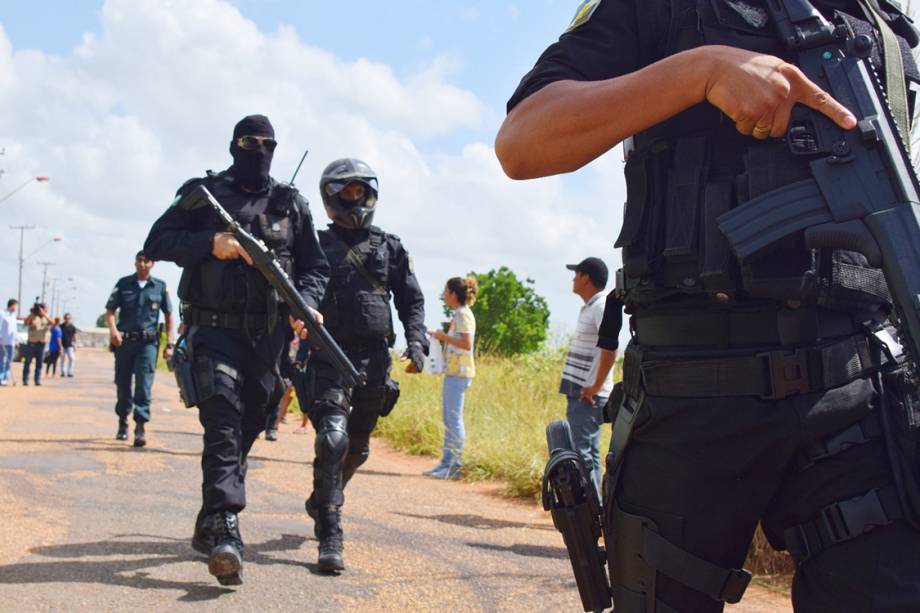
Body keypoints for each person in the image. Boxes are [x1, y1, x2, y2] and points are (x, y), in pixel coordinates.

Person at [496, 2, 920, 611]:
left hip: (862, 392)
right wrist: (701, 72)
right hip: (693, 387)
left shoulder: (884, 20)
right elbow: (524, 142)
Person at [144, 114, 329, 586]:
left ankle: (210, 516)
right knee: (223, 423)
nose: (259, 149)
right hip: (213, 331)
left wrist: (305, 305)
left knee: (249, 424)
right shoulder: (202, 194)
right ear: (234, 145)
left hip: (267, 339)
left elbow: (314, 266)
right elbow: (158, 240)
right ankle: (227, 527)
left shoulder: (291, 204)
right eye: (251, 141)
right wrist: (212, 243)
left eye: (268, 143)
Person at [303, 157, 427, 573]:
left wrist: (417, 341)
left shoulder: (389, 246)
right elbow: (302, 290)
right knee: (332, 440)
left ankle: (324, 495)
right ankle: (330, 535)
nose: (354, 199)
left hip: (375, 361)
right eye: (346, 192)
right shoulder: (316, 245)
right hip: (329, 354)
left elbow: (412, 300)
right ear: (332, 197)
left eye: (361, 191)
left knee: (357, 448)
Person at [560, 257, 616, 496]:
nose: (573, 278)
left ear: (586, 278)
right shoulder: (590, 307)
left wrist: (595, 386)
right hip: (582, 391)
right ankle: (597, 510)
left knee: (584, 454)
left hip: (588, 395)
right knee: (586, 453)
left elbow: (610, 348)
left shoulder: (600, 307)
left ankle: (595, 512)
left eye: (577, 273)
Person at [105, 251, 174, 447]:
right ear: (135, 262)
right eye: (140, 260)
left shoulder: (159, 287)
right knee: (123, 383)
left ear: (152, 264)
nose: (143, 264)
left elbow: (169, 315)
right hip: (125, 343)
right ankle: (122, 422)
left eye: (147, 261)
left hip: (148, 344)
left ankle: (140, 426)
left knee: (144, 385)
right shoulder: (123, 284)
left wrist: (169, 343)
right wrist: (113, 331)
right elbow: (110, 311)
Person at [425, 276, 477, 480]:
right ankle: (446, 463)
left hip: (460, 373)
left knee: (454, 419)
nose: (444, 295)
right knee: (449, 418)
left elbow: (466, 344)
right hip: (455, 372)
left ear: (454, 294)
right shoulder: (459, 314)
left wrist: (441, 336)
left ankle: (453, 465)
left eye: (446, 291)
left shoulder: (463, 315)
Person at [22, 302, 52, 386]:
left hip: (41, 343)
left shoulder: (46, 317)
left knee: (39, 363)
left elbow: (53, 323)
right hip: (31, 343)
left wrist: (44, 314)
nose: (46, 309)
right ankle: (25, 380)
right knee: (27, 362)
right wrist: (32, 313)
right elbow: (26, 323)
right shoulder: (33, 316)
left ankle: (37, 380)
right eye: (45, 308)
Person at [0, 299, 17, 386]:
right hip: (3, 341)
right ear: (11, 305)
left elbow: (14, 328)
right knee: (2, 360)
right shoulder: (2, 314)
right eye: (15, 305)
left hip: (11, 342)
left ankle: (5, 378)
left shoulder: (13, 315)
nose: (15, 307)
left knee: (9, 361)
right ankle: (1, 377)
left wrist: (16, 339)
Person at [59, 313, 77, 377]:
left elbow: (74, 336)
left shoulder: (72, 327)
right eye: (66, 318)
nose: (67, 319)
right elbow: (58, 336)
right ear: (64, 318)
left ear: (70, 319)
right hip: (62, 345)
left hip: (69, 345)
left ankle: (70, 372)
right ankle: (63, 372)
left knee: (72, 358)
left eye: (69, 318)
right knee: (62, 359)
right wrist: (59, 346)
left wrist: (75, 344)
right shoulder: (61, 326)